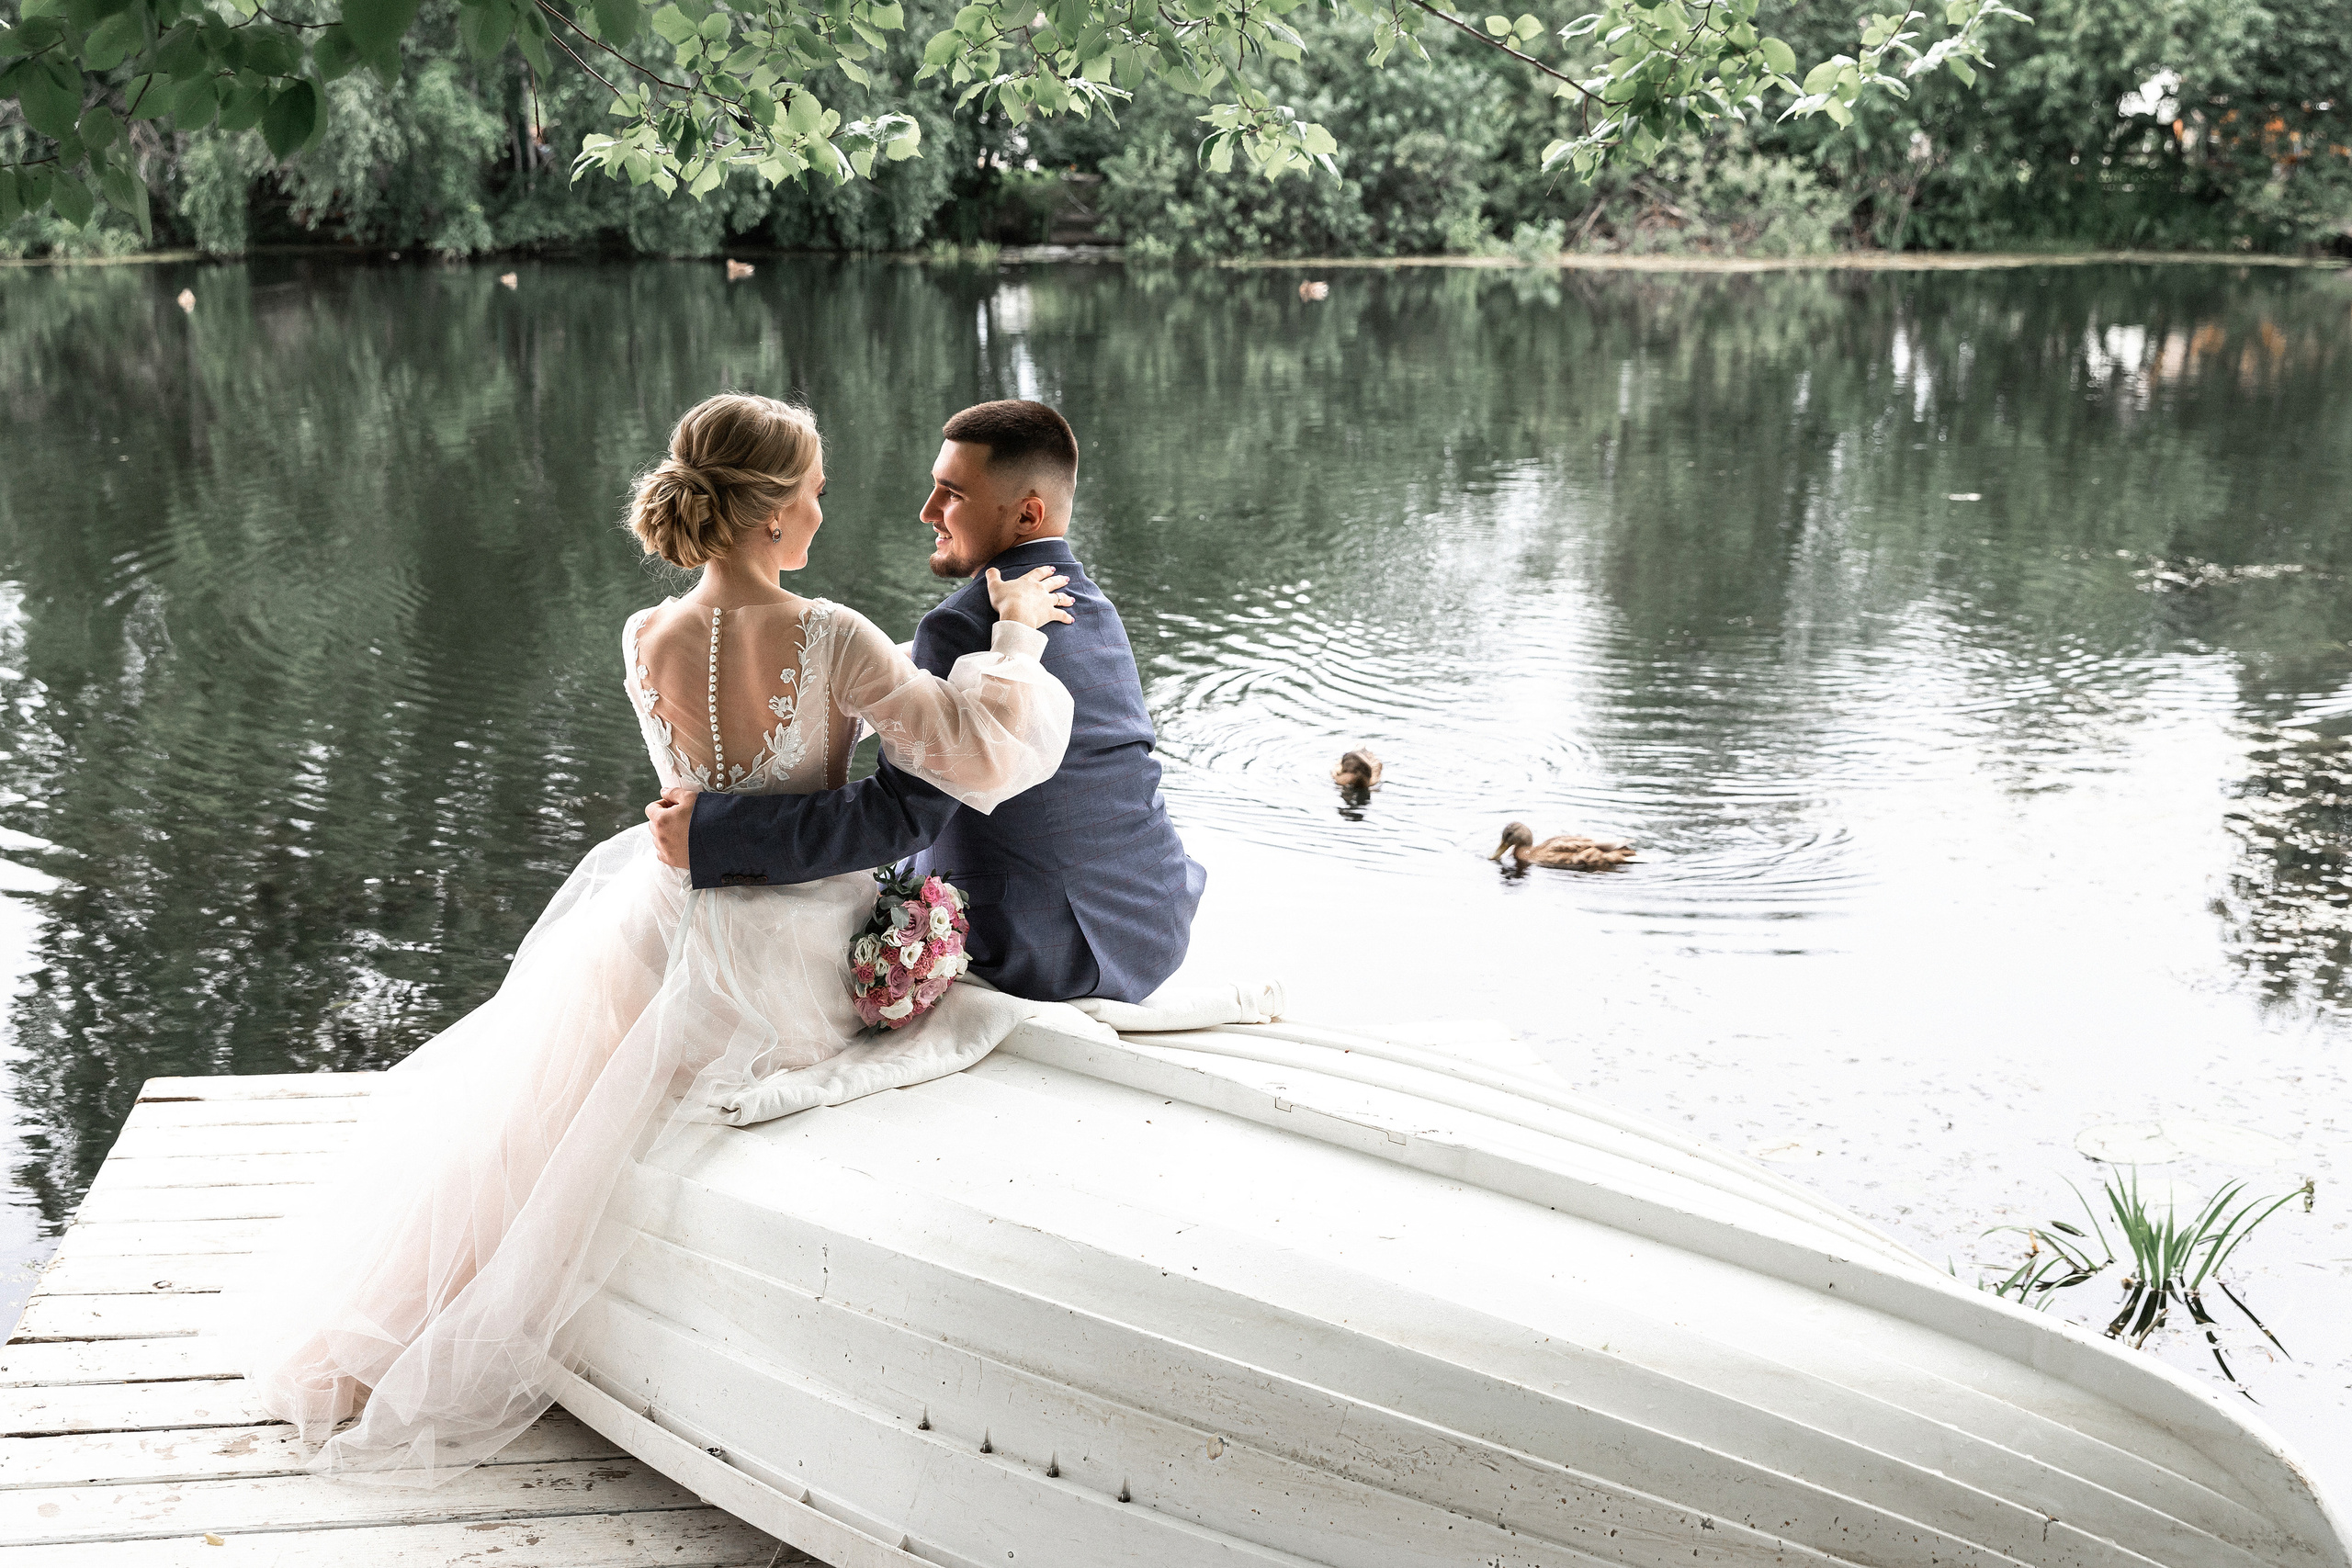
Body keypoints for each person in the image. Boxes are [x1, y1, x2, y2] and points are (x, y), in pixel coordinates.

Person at [234, 392, 1079, 1485]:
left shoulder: (644, 635)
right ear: (770, 515)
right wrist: (1013, 635)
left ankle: (401, 1324)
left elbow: (696, 790)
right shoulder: (833, 636)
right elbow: (974, 751)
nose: (826, 511)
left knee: (537, 1114)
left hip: (661, 915)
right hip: (787, 941)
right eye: (815, 494)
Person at [645, 399, 1205, 1004]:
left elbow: (899, 809)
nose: (926, 511)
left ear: (1027, 513)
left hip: (1037, 948)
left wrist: (714, 835)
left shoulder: (958, 626)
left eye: (951, 494)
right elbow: (874, 688)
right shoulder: (1095, 607)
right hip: (1155, 923)